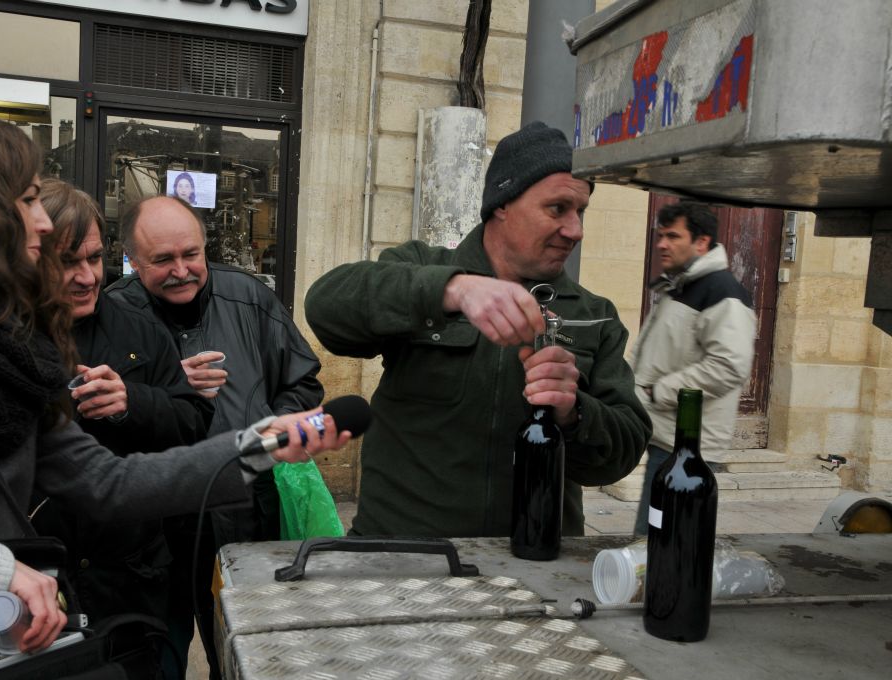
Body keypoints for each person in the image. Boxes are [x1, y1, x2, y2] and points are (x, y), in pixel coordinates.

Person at [0, 109, 349, 664]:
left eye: (93, 258)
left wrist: (260, 444)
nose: (43, 224)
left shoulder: (6, 346)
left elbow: (107, 481)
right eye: (26, 200)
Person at [304, 121, 652, 538]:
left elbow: (624, 451)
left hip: (534, 561)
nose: (575, 230)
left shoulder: (594, 314)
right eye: (558, 209)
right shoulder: (422, 266)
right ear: (502, 203)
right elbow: (326, 305)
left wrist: (573, 411)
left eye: (581, 212)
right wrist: (450, 290)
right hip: (403, 552)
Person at [105, 195, 324, 678]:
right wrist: (165, 389)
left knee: (248, 656)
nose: (181, 270)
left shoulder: (248, 297)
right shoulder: (111, 315)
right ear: (133, 261)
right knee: (155, 657)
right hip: (156, 529)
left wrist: (270, 428)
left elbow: (303, 381)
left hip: (247, 513)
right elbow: (98, 425)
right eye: (162, 260)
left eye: (191, 254)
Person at [30, 178, 215, 632]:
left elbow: (192, 421)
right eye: (67, 263)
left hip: (131, 579)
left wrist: (133, 401)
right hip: (36, 578)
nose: (88, 277)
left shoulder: (139, 331)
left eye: (94, 259)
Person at [629, 201, 756, 535]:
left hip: (687, 447)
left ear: (701, 242)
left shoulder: (723, 292)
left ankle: (658, 588)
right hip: (664, 437)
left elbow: (730, 366)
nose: (661, 244)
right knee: (653, 536)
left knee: (659, 542)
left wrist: (661, 391)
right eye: (660, 236)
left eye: (673, 236)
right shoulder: (681, 286)